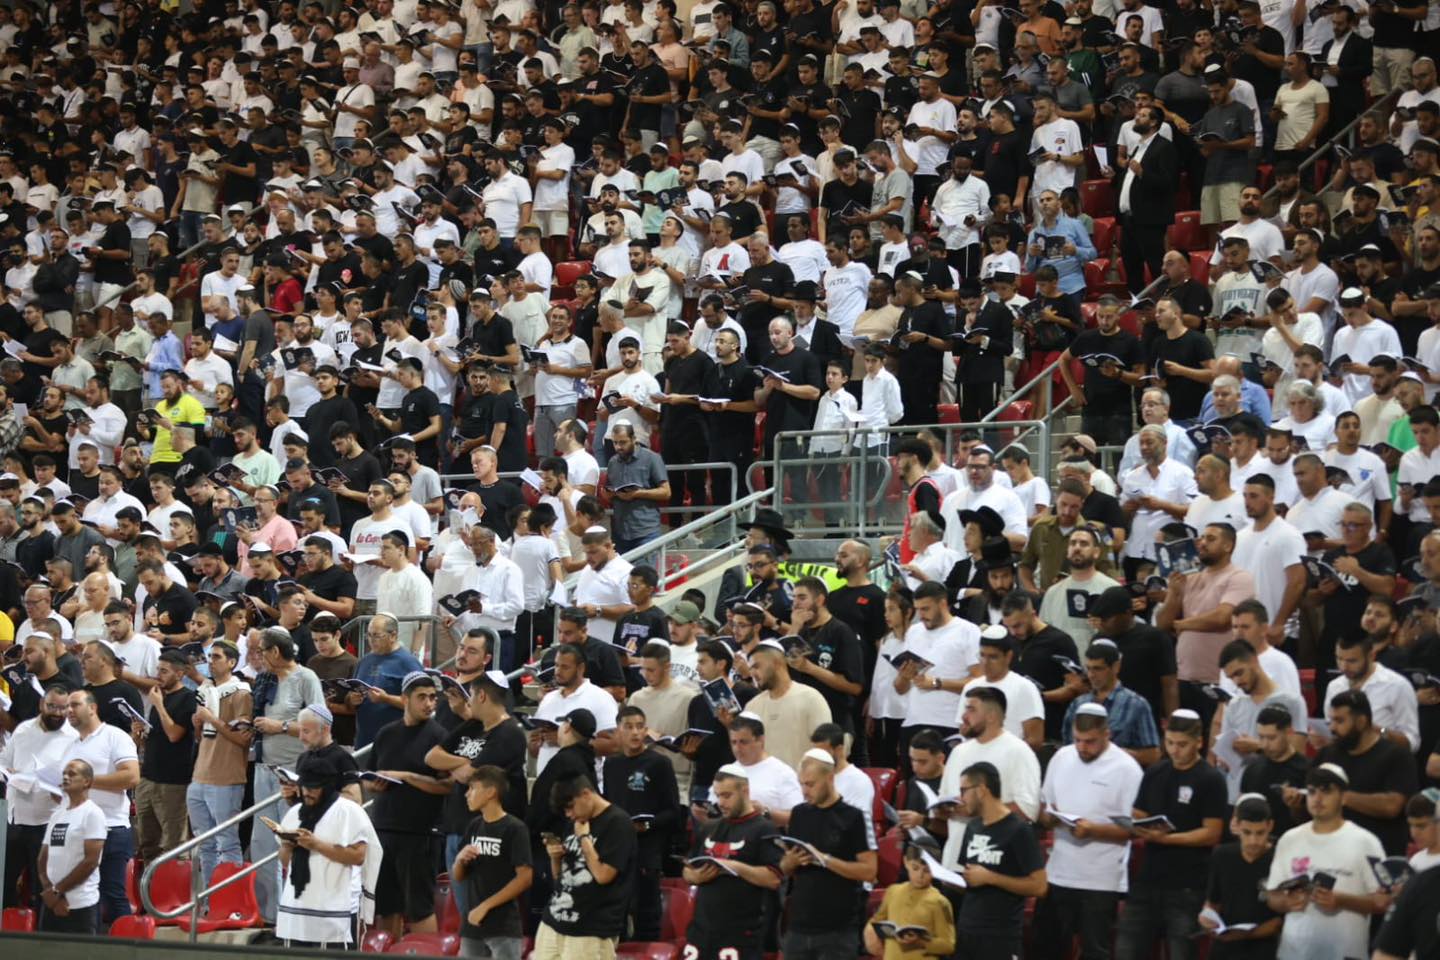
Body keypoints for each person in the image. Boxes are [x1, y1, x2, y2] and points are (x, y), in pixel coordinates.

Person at [1033, 702, 1145, 960]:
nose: (1082, 747)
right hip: (1058, 873)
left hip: (1101, 879)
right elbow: (1045, 808)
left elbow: (1135, 829)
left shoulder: (1127, 768)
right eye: (1077, 740)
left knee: (1095, 951)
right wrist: (1050, 818)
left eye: (1090, 742)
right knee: (1045, 947)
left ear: (1107, 734)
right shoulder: (1062, 757)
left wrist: (1094, 830)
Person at [1113, 709, 1227, 960]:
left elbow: (1212, 833)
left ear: (1199, 742)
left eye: (1182, 744)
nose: (1175, 750)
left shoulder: (1211, 779)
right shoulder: (1155, 772)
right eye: (1170, 743)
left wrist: (1167, 838)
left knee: (1181, 953)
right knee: (1126, 950)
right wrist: (1134, 823)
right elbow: (1140, 811)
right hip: (1148, 879)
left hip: (1187, 885)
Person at [1264, 763, 1386, 960]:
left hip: (1346, 953)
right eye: (1312, 791)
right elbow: (1272, 895)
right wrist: (1287, 902)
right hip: (1294, 953)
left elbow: (1383, 902)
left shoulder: (1366, 842)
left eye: (1326, 791)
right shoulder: (1289, 839)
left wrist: (1341, 900)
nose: (1318, 798)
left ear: (1344, 797)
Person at [367, 671, 450, 937]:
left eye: (433, 698)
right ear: (405, 699)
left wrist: (406, 777)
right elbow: (369, 778)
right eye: (422, 697)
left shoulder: (439, 736)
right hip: (385, 828)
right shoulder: (386, 734)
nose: (429, 703)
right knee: (386, 907)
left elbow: (447, 786)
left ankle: (424, 951)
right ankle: (387, 951)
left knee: (419, 908)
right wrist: (375, 784)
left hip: (421, 832)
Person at [274, 748, 381, 950]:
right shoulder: (295, 812)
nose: (307, 792)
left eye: (314, 787)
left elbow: (359, 856)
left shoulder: (349, 811)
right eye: (305, 786)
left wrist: (316, 845)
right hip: (296, 908)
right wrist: (287, 846)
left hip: (334, 907)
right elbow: (286, 861)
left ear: (328, 786)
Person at [778, 749, 878, 960]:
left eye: (810, 784)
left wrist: (825, 860)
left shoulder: (853, 817)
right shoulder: (798, 814)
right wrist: (789, 862)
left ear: (830, 778)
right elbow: (785, 869)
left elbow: (869, 871)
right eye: (802, 784)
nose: (804, 791)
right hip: (798, 926)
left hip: (838, 929)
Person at [682, 761, 784, 960]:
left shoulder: (764, 829)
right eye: (718, 795)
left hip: (741, 935)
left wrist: (734, 867)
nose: (721, 802)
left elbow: (773, 878)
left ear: (745, 791)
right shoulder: (709, 827)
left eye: (727, 796)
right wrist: (695, 876)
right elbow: (688, 869)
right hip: (701, 932)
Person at [59, 688, 139, 930]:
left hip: (110, 827)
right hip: (77, 829)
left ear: (93, 708)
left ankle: (127, 946)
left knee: (113, 894)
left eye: (75, 705)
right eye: (67, 706)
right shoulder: (70, 745)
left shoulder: (114, 736)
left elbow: (132, 776)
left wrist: (87, 782)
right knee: (82, 897)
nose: (69, 710)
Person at [601, 704, 682, 941]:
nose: (635, 732)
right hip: (618, 847)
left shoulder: (659, 763)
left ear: (646, 730)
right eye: (629, 727)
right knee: (616, 911)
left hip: (647, 848)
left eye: (639, 727)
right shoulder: (611, 764)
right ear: (618, 731)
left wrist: (647, 825)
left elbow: (673, 811)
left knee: (647, 912)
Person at [536, 773, 637, 960]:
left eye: (570, 807)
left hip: (591, 929)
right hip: (553, 921)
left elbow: (603, 876)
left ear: (585, 794)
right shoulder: (575, 823)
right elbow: (559, 877)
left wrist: (584, 839)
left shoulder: (618, 823)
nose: (569, 814)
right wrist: (555, 858)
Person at [953, 760, 1047, 959]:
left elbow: (1039, 886)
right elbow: (971, 879)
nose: (961, 798)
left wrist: (991, 878)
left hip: (1000, 937)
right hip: (967, 931)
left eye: (964, 791)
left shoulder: (1019, 830)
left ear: (981, 790)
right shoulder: (973, 827)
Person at [0, 687, 76, 912]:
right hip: (15, 817)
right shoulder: (23, 729)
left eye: (63, 708)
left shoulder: (72, 737)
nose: (58, 713)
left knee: (42, 883)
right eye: (52, 706)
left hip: (48, 820)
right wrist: (8, 773)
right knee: (5, 880)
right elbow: (4, 761)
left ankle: (39, 928)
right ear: (42, 704)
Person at [452, 765, 533, 960]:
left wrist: (485, 906)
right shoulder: (474, 826)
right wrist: (460, 860)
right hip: (472, 924)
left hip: (502, 926)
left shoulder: (515, 828)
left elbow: (525, 878)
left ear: (490, 792)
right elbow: (459, 877)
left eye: (472, 788)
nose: (467, 794)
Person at [1197, 793, 1282, 956]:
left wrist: (1243, 935)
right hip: (1224, 947)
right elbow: (1213, 901)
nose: (1253, 841)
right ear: (1236, 825)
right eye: (1247, 832)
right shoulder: (1222, 855)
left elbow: (1280, 920)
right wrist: (1206, 917)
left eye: (1260, 833)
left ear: (1270, 826)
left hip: (1263, 950)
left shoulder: (1279, 858)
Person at [36, 759, 107, 934]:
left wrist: (57, 891)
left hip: (81, 905)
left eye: (72, 774)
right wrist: (51, 893)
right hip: (52, 903)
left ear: (87, 781)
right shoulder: (57, 815)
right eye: (64, 774)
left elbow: (90, 862)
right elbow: (42, 859)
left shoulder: (93, 813)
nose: (65, 777)